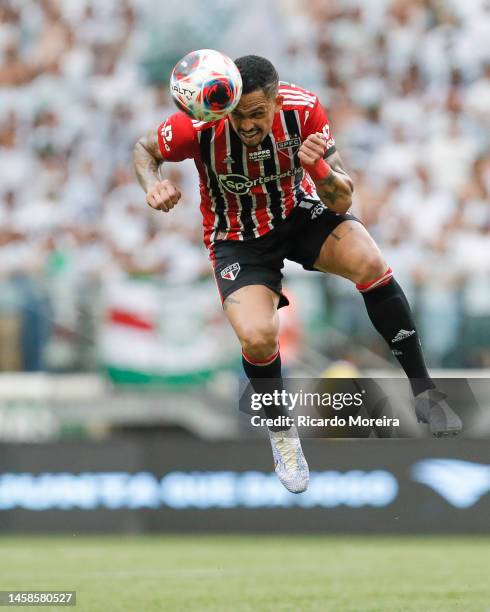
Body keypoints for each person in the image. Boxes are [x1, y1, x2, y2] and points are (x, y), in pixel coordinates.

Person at [133, 55, 462, 494]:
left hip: (296, 214)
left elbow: (342, 199)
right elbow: (144, 150)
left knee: (369, 260)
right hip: (238, 238)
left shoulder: (303, 110)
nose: (247, 125)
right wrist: (152, 184)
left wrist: (321, 169)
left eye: (257, 114)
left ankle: (424, 392)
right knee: (257, 336)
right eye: (238, 116)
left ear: (274, 99)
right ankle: (283, 436)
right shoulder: (199, 124)